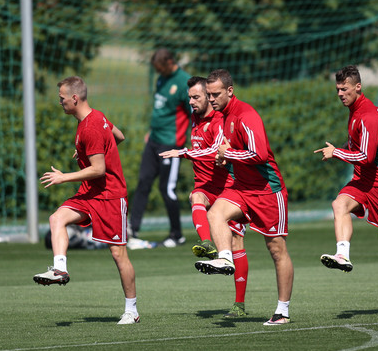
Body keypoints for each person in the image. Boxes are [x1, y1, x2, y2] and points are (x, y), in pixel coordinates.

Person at [32, 76, 140, 325]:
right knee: (56, 218)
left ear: (74, 98)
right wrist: (89, 149)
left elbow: (99, 169)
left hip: (110, 196)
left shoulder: (90, 126)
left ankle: (131, 310)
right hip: (90, 194)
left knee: (118, 254)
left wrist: (63, 177)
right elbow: (119, 136)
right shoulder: (95, 117)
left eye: (61, 99)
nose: (59, 102)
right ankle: (60, 269)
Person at [194, 69, 294, 326]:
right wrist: (221, 156)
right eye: (209, 94)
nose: (211, 99)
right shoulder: (223, 116)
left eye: (215, 94)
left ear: (230, 91)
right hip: (241, 188)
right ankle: (225, 257)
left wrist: (227, 155)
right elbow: (231, 151)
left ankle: (282, 311)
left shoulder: (245, 115)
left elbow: (259, 155)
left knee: (276, 249)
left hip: (267, 190)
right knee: (215, 212)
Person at [159, 76, 250, 319]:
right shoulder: (195, 118)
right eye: (190, 97)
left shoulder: (219, 120)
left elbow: (215, 150)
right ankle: (208, 245)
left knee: (236, 244)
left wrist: (183, 153)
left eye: (196, 97)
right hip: (207, 186)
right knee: (196, 196)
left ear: (210, 98)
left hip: (229, 188)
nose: (192, 101)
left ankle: (239, 304)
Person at [314, 65, 378, 310]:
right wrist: (346, 145)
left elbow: (366, 156)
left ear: (358, 87)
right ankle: (342, 254)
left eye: (345, 89)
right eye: (338, 90)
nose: (340, 94)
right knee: (339, 204)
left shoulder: (367, 114)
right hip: (363, 181)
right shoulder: (357, 110)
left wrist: (337, 152)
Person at [128, 48, 191, 248]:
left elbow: (194, 114)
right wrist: (150, 131)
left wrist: (189, 141)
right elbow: (160, 110)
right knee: (143, 182)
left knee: (167, 189)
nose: (158, 72)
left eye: (160, 68)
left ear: (170, 62)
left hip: (170, 144)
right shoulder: (161, 79)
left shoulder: (184, 82)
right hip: (153, 140)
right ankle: (132, 229)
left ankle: (176, 234)